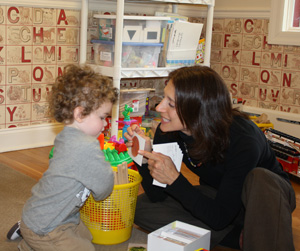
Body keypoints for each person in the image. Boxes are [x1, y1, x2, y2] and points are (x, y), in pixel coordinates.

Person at [125, 65, 296, 251]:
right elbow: (157, 196)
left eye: (171, 104)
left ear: (198, 109)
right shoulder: (168, 131)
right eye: (163, 98)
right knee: (140, 208)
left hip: (265, 199)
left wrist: (175, 179)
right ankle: (241, 237)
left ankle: (261, 234)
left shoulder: (244, 139)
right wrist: (143, 155)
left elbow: (219, 215)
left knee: (260, 178)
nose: (159, 107)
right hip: (219, 198)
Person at [16, 64, 118, 250]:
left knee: (86, 236)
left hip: (54, 217)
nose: (105, 124)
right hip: (46, 227)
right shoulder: (85, 146)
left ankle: (30, 240)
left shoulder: (66, 135)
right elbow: (104, 187)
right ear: (79, 114)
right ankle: (31, 244)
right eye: (102, 117)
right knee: (86, 249)